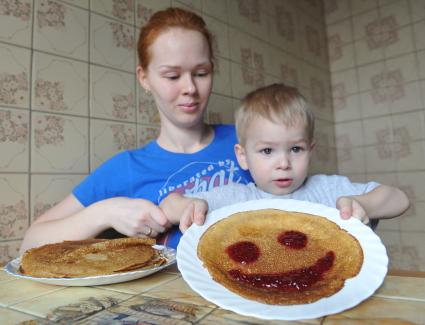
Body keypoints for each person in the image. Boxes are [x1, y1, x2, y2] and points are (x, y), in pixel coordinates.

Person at [19, 7, 253, 254]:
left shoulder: (250, 140)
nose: (190, 87)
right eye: (173, 76)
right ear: (144, 78)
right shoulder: (125, 169)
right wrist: (105, 212)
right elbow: (30, 243)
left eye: (201, 73)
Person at [160, 83, 410, 232]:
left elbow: (399, 199)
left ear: (310, 150)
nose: (283, 163)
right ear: (243, 157)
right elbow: (169, 206)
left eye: (296, 149)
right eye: (267, 151)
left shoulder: (328, 191)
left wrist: (363, 204)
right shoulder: (234, 197)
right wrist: (186, 207)